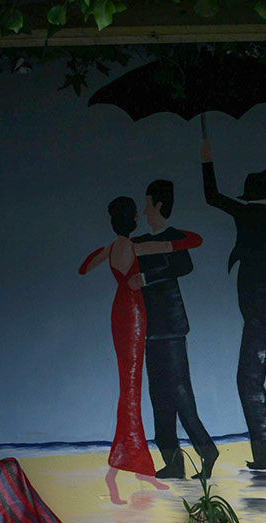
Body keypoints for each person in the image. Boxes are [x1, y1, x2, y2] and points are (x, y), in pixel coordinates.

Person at [79, 196, 202, 502]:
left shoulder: (113, 249)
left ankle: (136, 469)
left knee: (129, 391)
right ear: (131, 219)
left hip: (120, 311)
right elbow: (193, 241)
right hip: (135, 314)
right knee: (131, 393)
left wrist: (107, 252)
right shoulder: (137, 247)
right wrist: (163, 238)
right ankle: (123, 471)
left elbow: (83, 268)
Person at [201, 140, 266, 471]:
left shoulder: (258, 219)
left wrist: (206, 160)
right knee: (251, 384)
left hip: (262, 321)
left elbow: (213, 197)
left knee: (249, 383)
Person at [131, 179, 218, 480]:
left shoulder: (173, 238)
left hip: (171, 327)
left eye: (147, 203)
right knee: (159, 397)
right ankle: (173, 462)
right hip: (151, 328)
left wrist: (147, 277)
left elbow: (183, 266)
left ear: (158, 205)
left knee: (181, 394)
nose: (144, 210)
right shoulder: (141, 240)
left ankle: (206, 450)